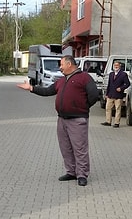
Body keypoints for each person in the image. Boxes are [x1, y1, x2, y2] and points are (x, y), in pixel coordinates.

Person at [17, 55, 99, 186]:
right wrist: (31, 88)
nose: (60, 68)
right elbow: (48, 91)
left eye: (61, 65)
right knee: (65, 147)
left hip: (77, 120)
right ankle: (71, 172)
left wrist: (82, 107)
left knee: (80, 148)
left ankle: (82, 175)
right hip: (62, 120)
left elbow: (94, 95)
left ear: (69, 64)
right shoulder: (62, 80)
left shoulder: (84, 78)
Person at [102, 61, 130, 128]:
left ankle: (117, 123)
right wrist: (107, 94)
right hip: (110, 95)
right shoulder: (111, 74)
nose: (116, 66)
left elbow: (128, 83)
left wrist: (121, 88)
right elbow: (109, 85)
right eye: (115, 65)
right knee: (108, 108)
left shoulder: (123, 74)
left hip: (118, 95)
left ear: (120, 66)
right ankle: (108, 121)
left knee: (118, 109)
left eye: (117, 65)